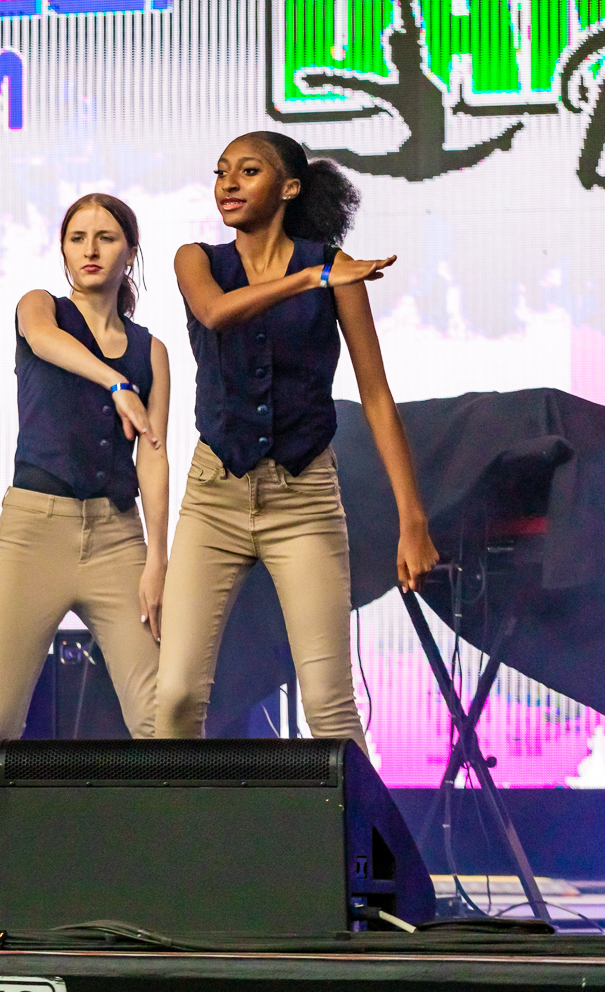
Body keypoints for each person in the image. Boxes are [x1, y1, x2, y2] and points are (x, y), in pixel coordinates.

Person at [0, 194, 171, 922]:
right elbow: (47, 342)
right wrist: (114, 383)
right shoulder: (41, 310)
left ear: (129, 252)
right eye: (77, 237)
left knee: (160, 713)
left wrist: (158, 557)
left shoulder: (151, 348)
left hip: (116, 534)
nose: (90, 249)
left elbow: (154, 453)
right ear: (63, 250)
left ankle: (173, 860)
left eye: (106, 237)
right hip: (35, 529)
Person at [157, 132, 439, 748]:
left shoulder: (337, 272)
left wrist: (412, 519)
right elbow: (217, 313)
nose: (228, 184)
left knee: (328, 707)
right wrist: (314, 277)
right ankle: (181, 814)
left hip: (303, 498)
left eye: (248, 171)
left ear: (289, 188)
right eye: (221, 171)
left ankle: (363, 819)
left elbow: (376, 397)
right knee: (174, 697)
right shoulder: (196, 259)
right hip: (214, 496)